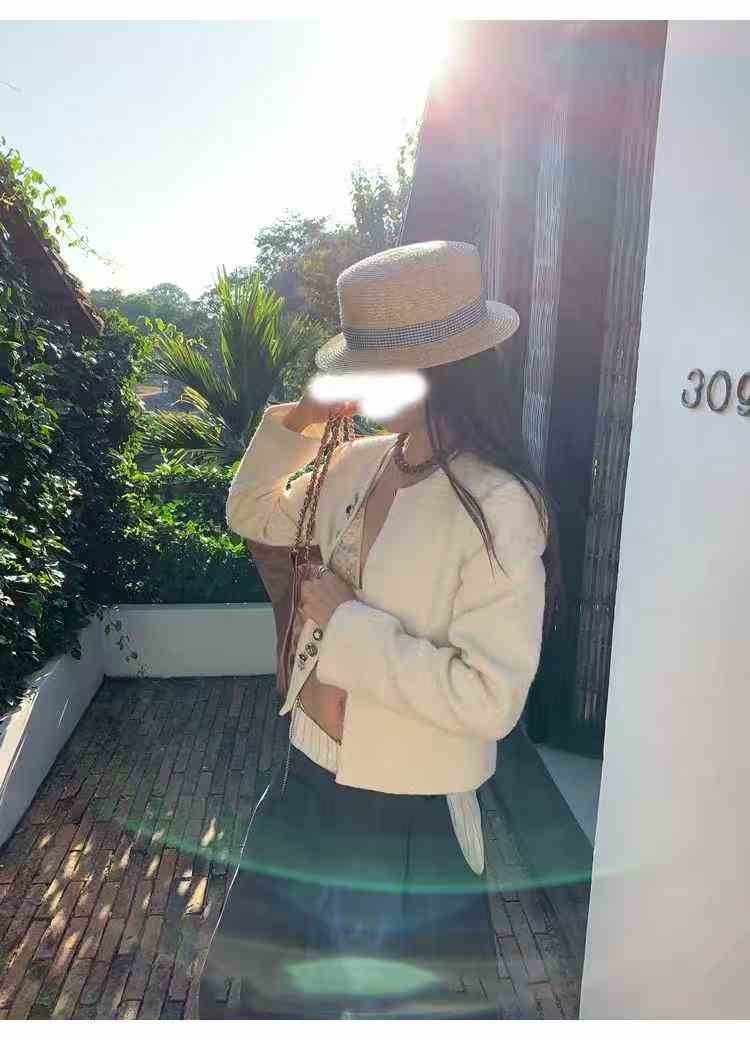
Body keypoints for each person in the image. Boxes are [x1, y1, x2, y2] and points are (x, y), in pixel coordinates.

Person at [197, 240, 563, 1019]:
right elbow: (251, 511)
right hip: (303, 778)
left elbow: (489, 699)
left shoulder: (499, 504)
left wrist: (347, 622)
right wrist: (301, 420)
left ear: (442, 371)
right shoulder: (359, 463)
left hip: (405, 811)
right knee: (271, 1005)